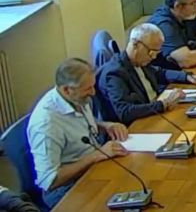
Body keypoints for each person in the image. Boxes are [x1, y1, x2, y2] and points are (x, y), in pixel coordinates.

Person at [28, 58, 129, 208]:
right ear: (66, 90)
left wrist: (106, 125)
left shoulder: (76, 98)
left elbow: (78, 123)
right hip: (67, 189)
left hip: (94, 167)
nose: (93, 93)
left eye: (93, 86)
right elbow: (49, 181)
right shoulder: (46, 125)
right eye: (88, 89)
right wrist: (95, 156)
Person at [96, 24, 196, 125]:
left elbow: (160, 73)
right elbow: (124, 112)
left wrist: (187, 77)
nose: (154, 57)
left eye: (157, 53)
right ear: (135, 45)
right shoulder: (115, 73)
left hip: (155, 115)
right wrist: (164, 104)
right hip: (138, 127)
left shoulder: (140, 60)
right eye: (151, 52)